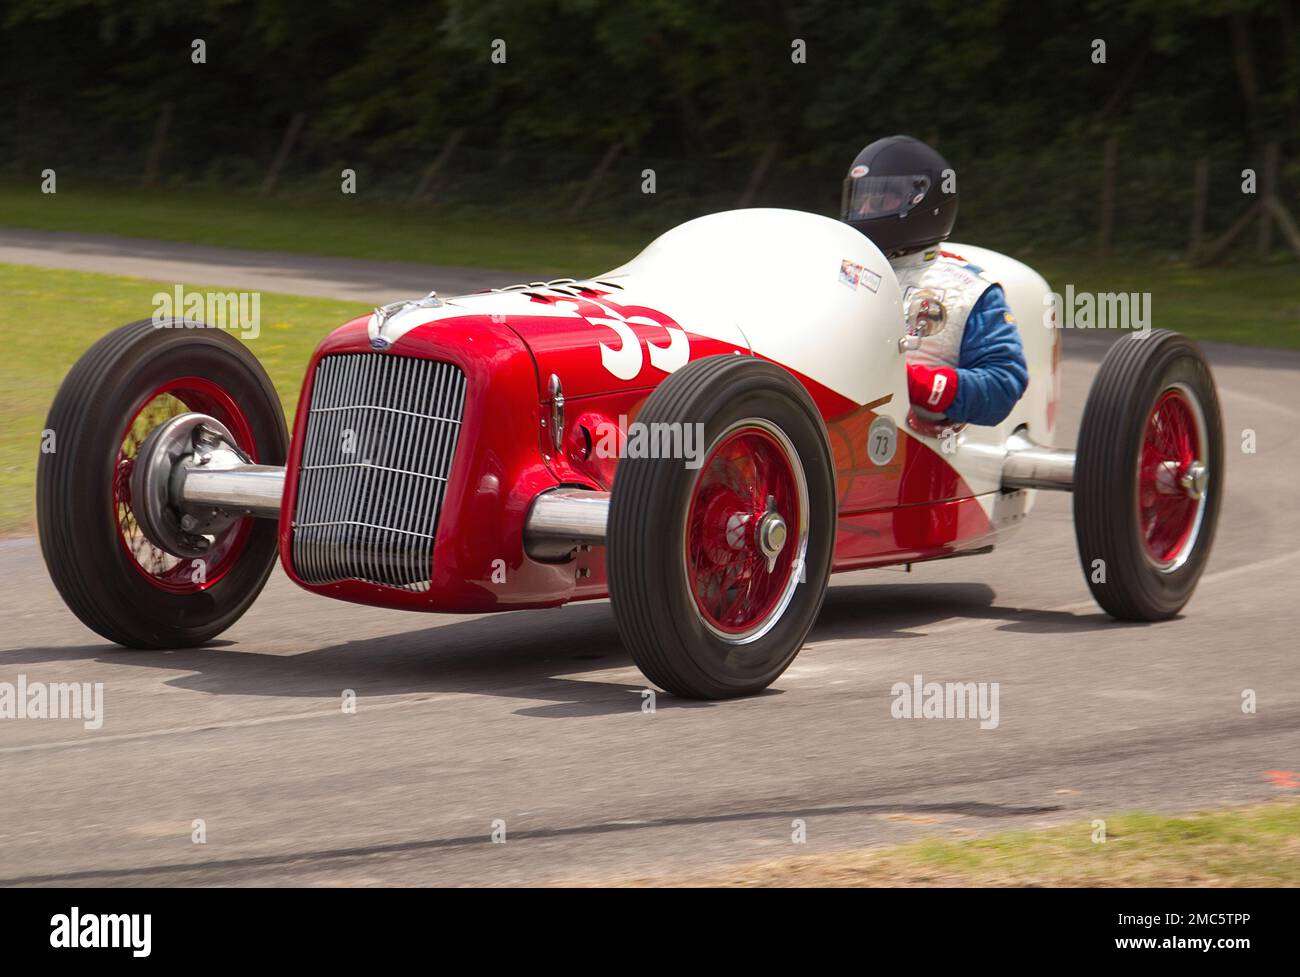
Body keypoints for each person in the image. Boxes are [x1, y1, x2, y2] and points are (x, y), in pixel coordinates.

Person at [842, 135, 1028, 428]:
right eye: (860, 198)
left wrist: (918, 384)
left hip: (915, 446)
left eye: (880, 198)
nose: (864, 210)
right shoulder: (835, 266)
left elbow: (1003, 385)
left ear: (925, 200)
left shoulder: (969, 289)